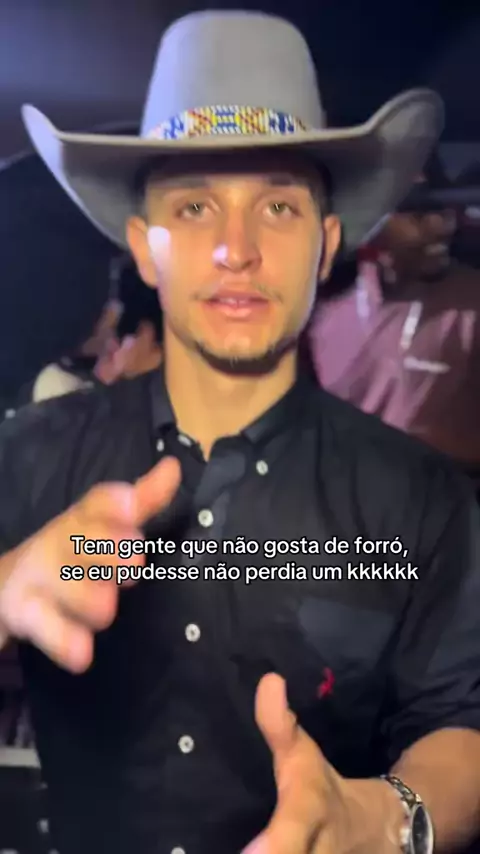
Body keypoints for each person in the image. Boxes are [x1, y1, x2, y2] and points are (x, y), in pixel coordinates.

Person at [0, 10, 479, 854]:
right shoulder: (28, 454)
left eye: (279, 207)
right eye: (194, 207)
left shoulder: (421, 502)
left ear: (325, 245)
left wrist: (384, 817)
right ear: (144, 248)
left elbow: (462, 724)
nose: (235, 248)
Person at [308, 155, 480, 487]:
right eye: (419, 214)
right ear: (372, 223)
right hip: (341, 501)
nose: (442, 226)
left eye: (444, 211)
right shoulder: (320, 304)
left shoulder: (472, 303)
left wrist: (414, 449)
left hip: (447, 503)